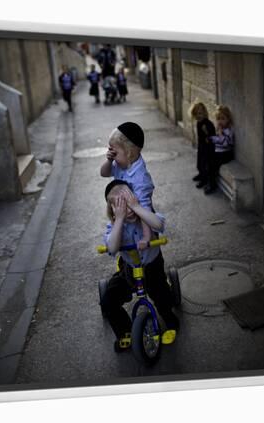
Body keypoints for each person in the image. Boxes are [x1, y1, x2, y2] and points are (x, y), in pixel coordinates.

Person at [100, 180, 179, 351]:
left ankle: (171, 322)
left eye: (130, 202)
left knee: (162, 297)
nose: (128, 210)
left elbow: (159, 225)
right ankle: (126, 332)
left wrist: (137, 208)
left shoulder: (143, 214)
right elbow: (112, 248)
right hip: (128, 270)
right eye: (122, 206)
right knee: (108, 301)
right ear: (113, 211)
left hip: (152, 266)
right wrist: (119, 220)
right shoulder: (114, 226)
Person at [100, 122, 154, 251]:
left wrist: (147, 238)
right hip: (123, 215)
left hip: (139, 218)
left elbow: (144, 207)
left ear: (129, 153)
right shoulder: (120, 163)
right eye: (110, 151)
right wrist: (109, 160)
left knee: (149, 262)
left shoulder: (141, 179)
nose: (112, 155)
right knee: (125, 246)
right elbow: (104, 173)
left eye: (115, 152)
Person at [205, 105, 235, 194]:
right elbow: (217, 140)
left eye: (223, 118)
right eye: (218, 119)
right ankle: (209, 180)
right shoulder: (220, 129)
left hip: (226, 154)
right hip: (219, 152)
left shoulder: (229, 131)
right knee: (207, 159)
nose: (220, 121)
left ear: (228, 119)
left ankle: (212, 185)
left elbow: (225, 143)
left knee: (212, 165)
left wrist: (220, 134)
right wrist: (211, 138)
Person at [188, 101, 216, 189]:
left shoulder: (208, 124)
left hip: (208, 148)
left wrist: (206, 132)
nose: (198, 116)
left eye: (200, 113)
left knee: (204, 164)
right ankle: (201, 174)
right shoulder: (199, 123)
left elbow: (211, 137)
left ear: (204, 112)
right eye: (196, 114)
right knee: (199, 163)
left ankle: (204, 179)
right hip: (201, 146)